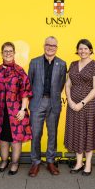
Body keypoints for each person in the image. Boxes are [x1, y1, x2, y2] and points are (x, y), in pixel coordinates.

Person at [0, 42, 32, 175]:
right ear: (1, 53)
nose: (8, 53)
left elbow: (25, 92)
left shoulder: (20, 71)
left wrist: (23, 109)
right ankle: (4, 161)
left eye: (10, 51)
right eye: (5, 51)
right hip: (0, 112)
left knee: (16, 139)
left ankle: (15, 163)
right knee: (3, 137)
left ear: (14, 53)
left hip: (16, 112)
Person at [28, 36, 67, 177]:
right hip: (37, 103)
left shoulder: (62, 64)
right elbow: (29, 83)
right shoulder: (34, 62)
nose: (50, 47)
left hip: (54, 103)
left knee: (52, 134)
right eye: (48, 45)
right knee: (36, 134)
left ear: (57, 47)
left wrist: (54, 96)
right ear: (44, 46)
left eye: (53, 45)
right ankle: (35, 162)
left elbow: (61, 84)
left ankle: (51, 161)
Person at [64, 39, 95, 176]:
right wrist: (69, 100)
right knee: (76, 132)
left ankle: (88, 164)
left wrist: (81, 103)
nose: (83, 51)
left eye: (86, 48)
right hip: (72, 104)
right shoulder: (73, 64)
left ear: (91, 50)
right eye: (80, 48)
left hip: (88, 106)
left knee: (88, 133)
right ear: (77, 50)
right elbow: (68, 84)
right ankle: (79, 162)